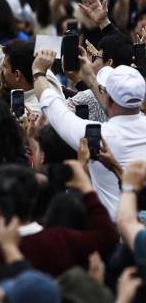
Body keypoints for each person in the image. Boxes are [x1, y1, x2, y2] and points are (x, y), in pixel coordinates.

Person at [32, 48, 146, 217]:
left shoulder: (97, 137)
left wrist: (39, 72)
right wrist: (90, 79)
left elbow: (52, 105)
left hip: (114, 234)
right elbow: (115, 106)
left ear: (108, 98)